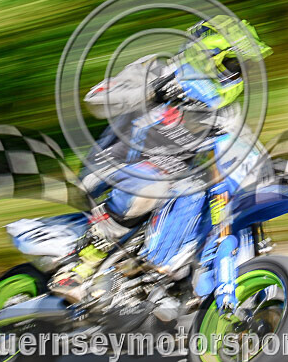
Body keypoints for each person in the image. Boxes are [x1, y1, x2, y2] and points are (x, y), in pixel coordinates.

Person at [49, 16, 273, 303]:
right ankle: (80, 266)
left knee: (222, 199)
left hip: (171, 181)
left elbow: (243, 145)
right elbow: (97, 98)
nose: (240, 75)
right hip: (116, 164)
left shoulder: (225, 112)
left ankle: (178, 284)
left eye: (244, 69)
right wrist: (153, 92)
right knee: (152, 182)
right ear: (209, 56)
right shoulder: (158, 69)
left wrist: (268, 173)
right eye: (234, 65)